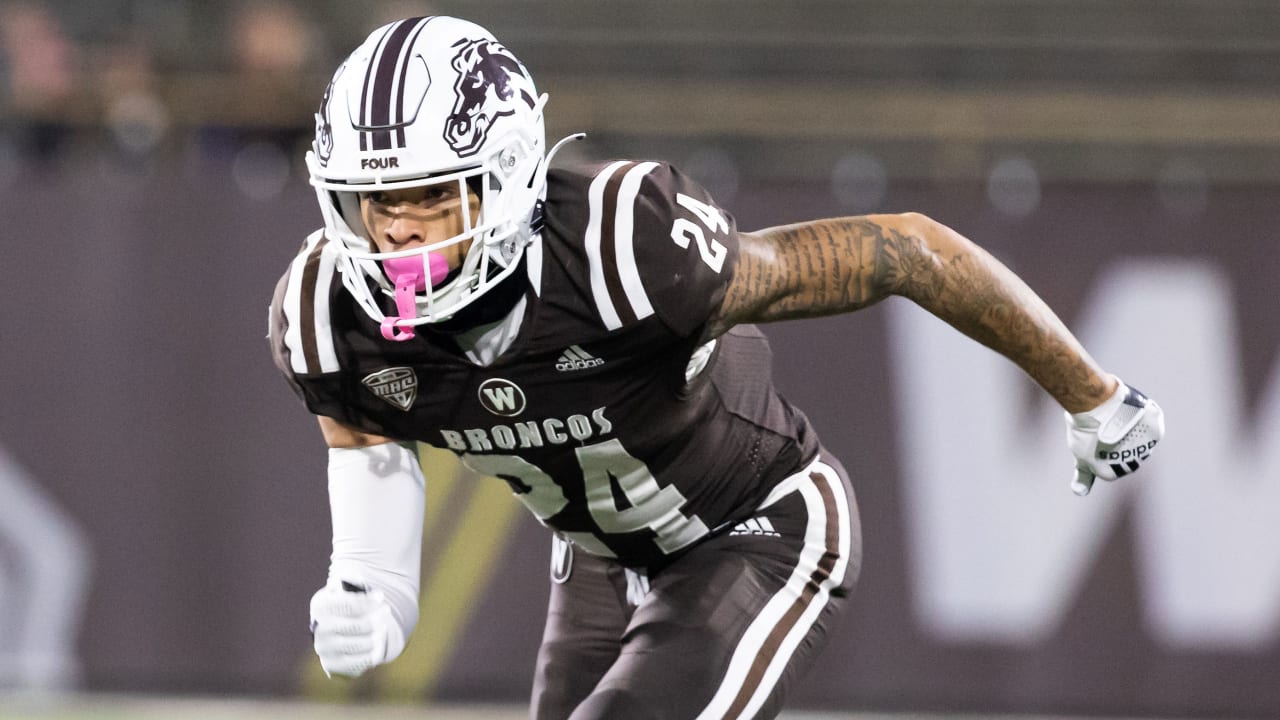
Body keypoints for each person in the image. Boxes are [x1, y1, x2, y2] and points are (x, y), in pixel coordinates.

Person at [268, 16, 1165, 720]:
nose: (399, 230)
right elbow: (369, 442)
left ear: (503, 178)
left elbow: (907, 253)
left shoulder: (626, 247)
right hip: (597, 562)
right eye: (376, 198)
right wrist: (374, 589)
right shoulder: (326, 312)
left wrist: (1092, 394)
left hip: (758, 526)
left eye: (431, 193)